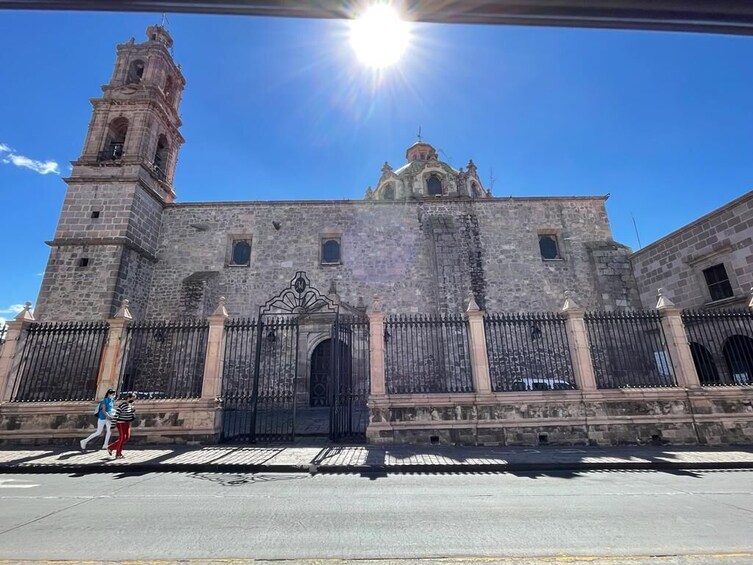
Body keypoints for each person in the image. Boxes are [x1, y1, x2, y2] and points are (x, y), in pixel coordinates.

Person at [107, 393, 136, 459]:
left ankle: (111, 447)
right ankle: (118, 454)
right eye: (133, 398)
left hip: (127, 423)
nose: (134, 399)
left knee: (126, 438)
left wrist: (133, 412)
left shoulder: (131, 405)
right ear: (128, 398)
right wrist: (113, 425)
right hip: (120, 423)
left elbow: (131, 415)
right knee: (122, 438)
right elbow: (116, 415)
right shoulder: (122, 405)